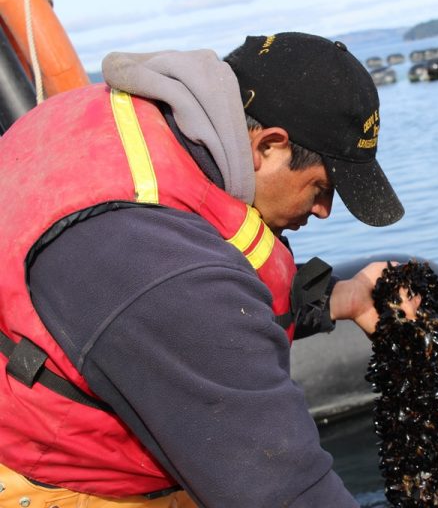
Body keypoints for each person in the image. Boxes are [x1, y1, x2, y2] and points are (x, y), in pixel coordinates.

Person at [0, 32, 413, 507]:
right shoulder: (159, 266)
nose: (324, 211)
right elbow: (283, 491)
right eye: (321, 188)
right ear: (268, 146)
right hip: (56, 484)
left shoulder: (127, 127)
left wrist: (340, 297)